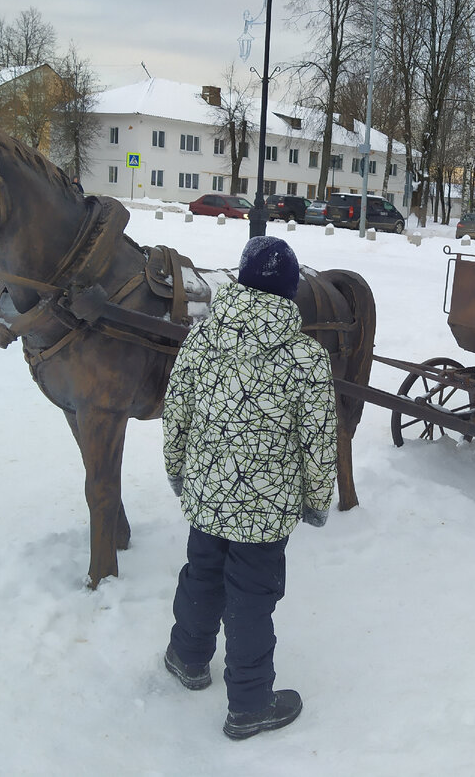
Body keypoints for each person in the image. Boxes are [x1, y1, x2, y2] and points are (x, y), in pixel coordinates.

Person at [161, 235, 337, 741]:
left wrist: (177, 469)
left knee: (201, 575)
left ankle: (187, 658)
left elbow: (177, 411)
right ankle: (251, 703)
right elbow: (320, 441)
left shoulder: (202, 336)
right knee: (252, 598)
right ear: (288, 291)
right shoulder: (305, 358)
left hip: (207, 493)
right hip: (266, 506)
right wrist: (316, 499)